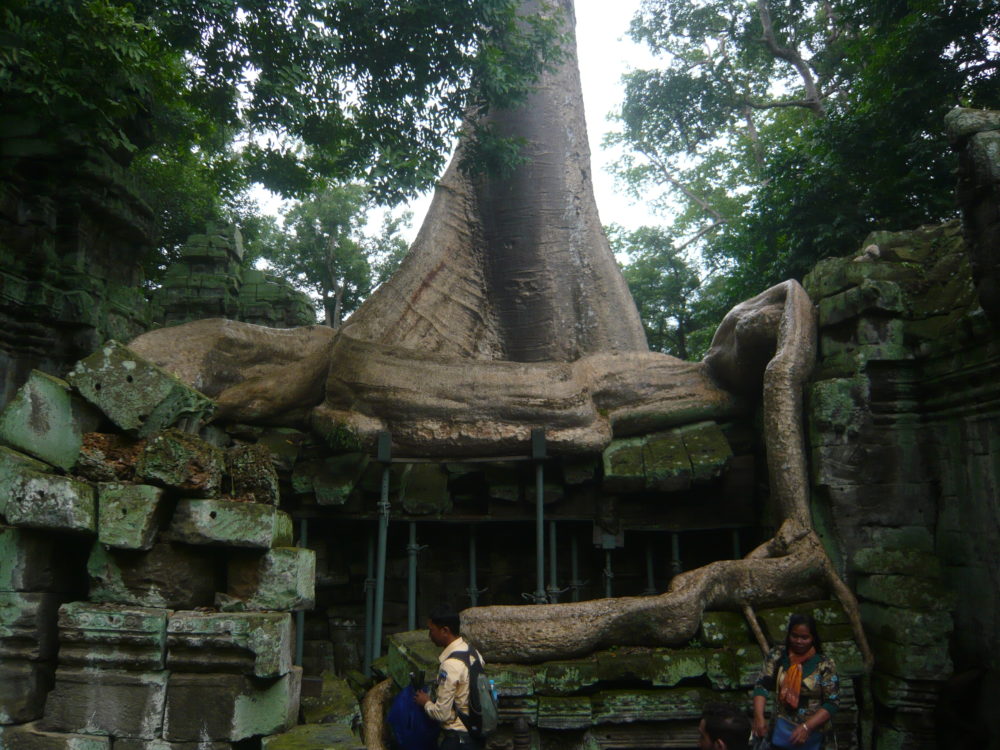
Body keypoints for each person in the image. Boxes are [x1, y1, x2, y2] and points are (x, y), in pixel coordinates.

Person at [752, 613, 840, 749]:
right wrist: (759, 717)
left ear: (813, 638)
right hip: (780, 730)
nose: (799, 641)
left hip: (814, 734)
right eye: (795, 636)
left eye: (804, 637)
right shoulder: (777, 656)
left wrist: (807, 727)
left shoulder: (824, 665)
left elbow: (832, 702)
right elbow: (762, 685)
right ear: (788, 635)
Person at [415, 605, 483, 749]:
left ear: (445, 630)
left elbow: (442, 714)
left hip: (457, 739)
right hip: (475, 736)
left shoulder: (450, 665)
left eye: (432, 630)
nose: (429, 635)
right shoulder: (474, 654)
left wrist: (425, 702)